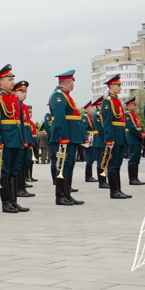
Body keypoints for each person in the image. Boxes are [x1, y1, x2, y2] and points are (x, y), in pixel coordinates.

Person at [0, 64, 29, 213]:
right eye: (9, 79)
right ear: (1, 81)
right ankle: (5, 202)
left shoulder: (14, 97)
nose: (12, 82)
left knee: (14, 171)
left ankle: (13, 201)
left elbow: (21, 121)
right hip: (5, 140)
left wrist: (23, 139)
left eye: (13, 79)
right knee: (4, 171)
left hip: (16, 139)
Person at [48, 70, 84, 206]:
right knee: (62, 166)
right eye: (73, 81)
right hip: (64, 136)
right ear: (69, 82)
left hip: (71, 136)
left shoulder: (65, 96)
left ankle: (67, 195)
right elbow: (60, 118)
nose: (73, 84)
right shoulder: (58, 96)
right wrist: (64, 136)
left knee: (69, 165)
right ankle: (60, 196)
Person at [100, 74, 130, 199]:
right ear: (111, 86)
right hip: (114, 136)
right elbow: (107, 122)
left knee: (118, 163)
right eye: (118, 85)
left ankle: (118, 189)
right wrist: (109, 139)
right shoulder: (107, 102)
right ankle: (114, 191)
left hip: (120, 135)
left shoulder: (116, 101)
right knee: (113, 164)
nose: (120, 88)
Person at [15, 80, 35, 198]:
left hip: (25, 138)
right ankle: (19, 188)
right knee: (19, 164)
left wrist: (29, 140)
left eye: (25, 92)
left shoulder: (24, 107)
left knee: (25, 162)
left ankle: (22, 186)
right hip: (19, 139)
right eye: (21, 91)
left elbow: (26, 125)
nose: (24, 94)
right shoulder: (16, 105)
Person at [124, 96, 145, 186]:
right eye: (134, 105)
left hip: (137, 139)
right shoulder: (127, 115)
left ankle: (135, 178)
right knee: (133, 158)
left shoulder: (134, 115)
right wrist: (140, 134)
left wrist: (143, 132)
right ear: (128, 106)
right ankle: (132, 179)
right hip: (132, 138)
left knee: (137, 159)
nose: (135, 107)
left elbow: (139, 125)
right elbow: (131, 128)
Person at [92, 97, 108, 189]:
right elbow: (100, 129)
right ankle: (101, 182)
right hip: (99, 139)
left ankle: (104, 180)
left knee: (104, 161)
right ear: (98, 106)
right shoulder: (96, 115)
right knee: (100, 161)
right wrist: (106, 137)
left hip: (102, 139)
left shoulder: (102, 114)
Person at [81, 100, 98, 183]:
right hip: (89, 139)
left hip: (94, 138)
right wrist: (85, 140)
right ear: (87, 109)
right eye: (91, 107)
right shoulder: (85, 117)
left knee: (93, 158)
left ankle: (90, 176)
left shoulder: (93, 116)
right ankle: (88, 176)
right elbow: (83, 129)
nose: (93, 109)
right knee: (89, 159)